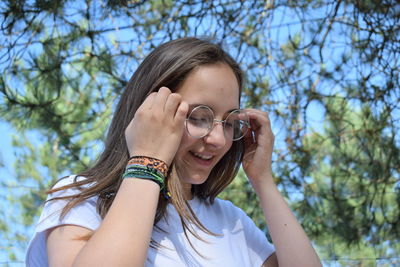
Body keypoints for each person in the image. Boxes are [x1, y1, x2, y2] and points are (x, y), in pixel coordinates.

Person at [26, 37, 322, 267]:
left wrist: (264, 181)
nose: (218, 139)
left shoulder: (231, 222)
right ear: (148, 110)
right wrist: (147, 163)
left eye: (231, 122)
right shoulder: (82, 200)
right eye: (198, 116)